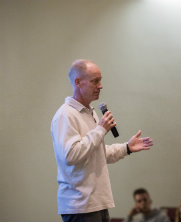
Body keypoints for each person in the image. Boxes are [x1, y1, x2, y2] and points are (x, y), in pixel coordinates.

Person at [51, 59, 153, 222]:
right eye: (95, 81)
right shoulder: (66, 115)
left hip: (97, 203)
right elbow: (71, 156)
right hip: (81, 206)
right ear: (78, 82)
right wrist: (100, 130)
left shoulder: (89, 113)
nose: (100, 86)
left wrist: (126, 147)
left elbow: (97, 153)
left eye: (100, 80)